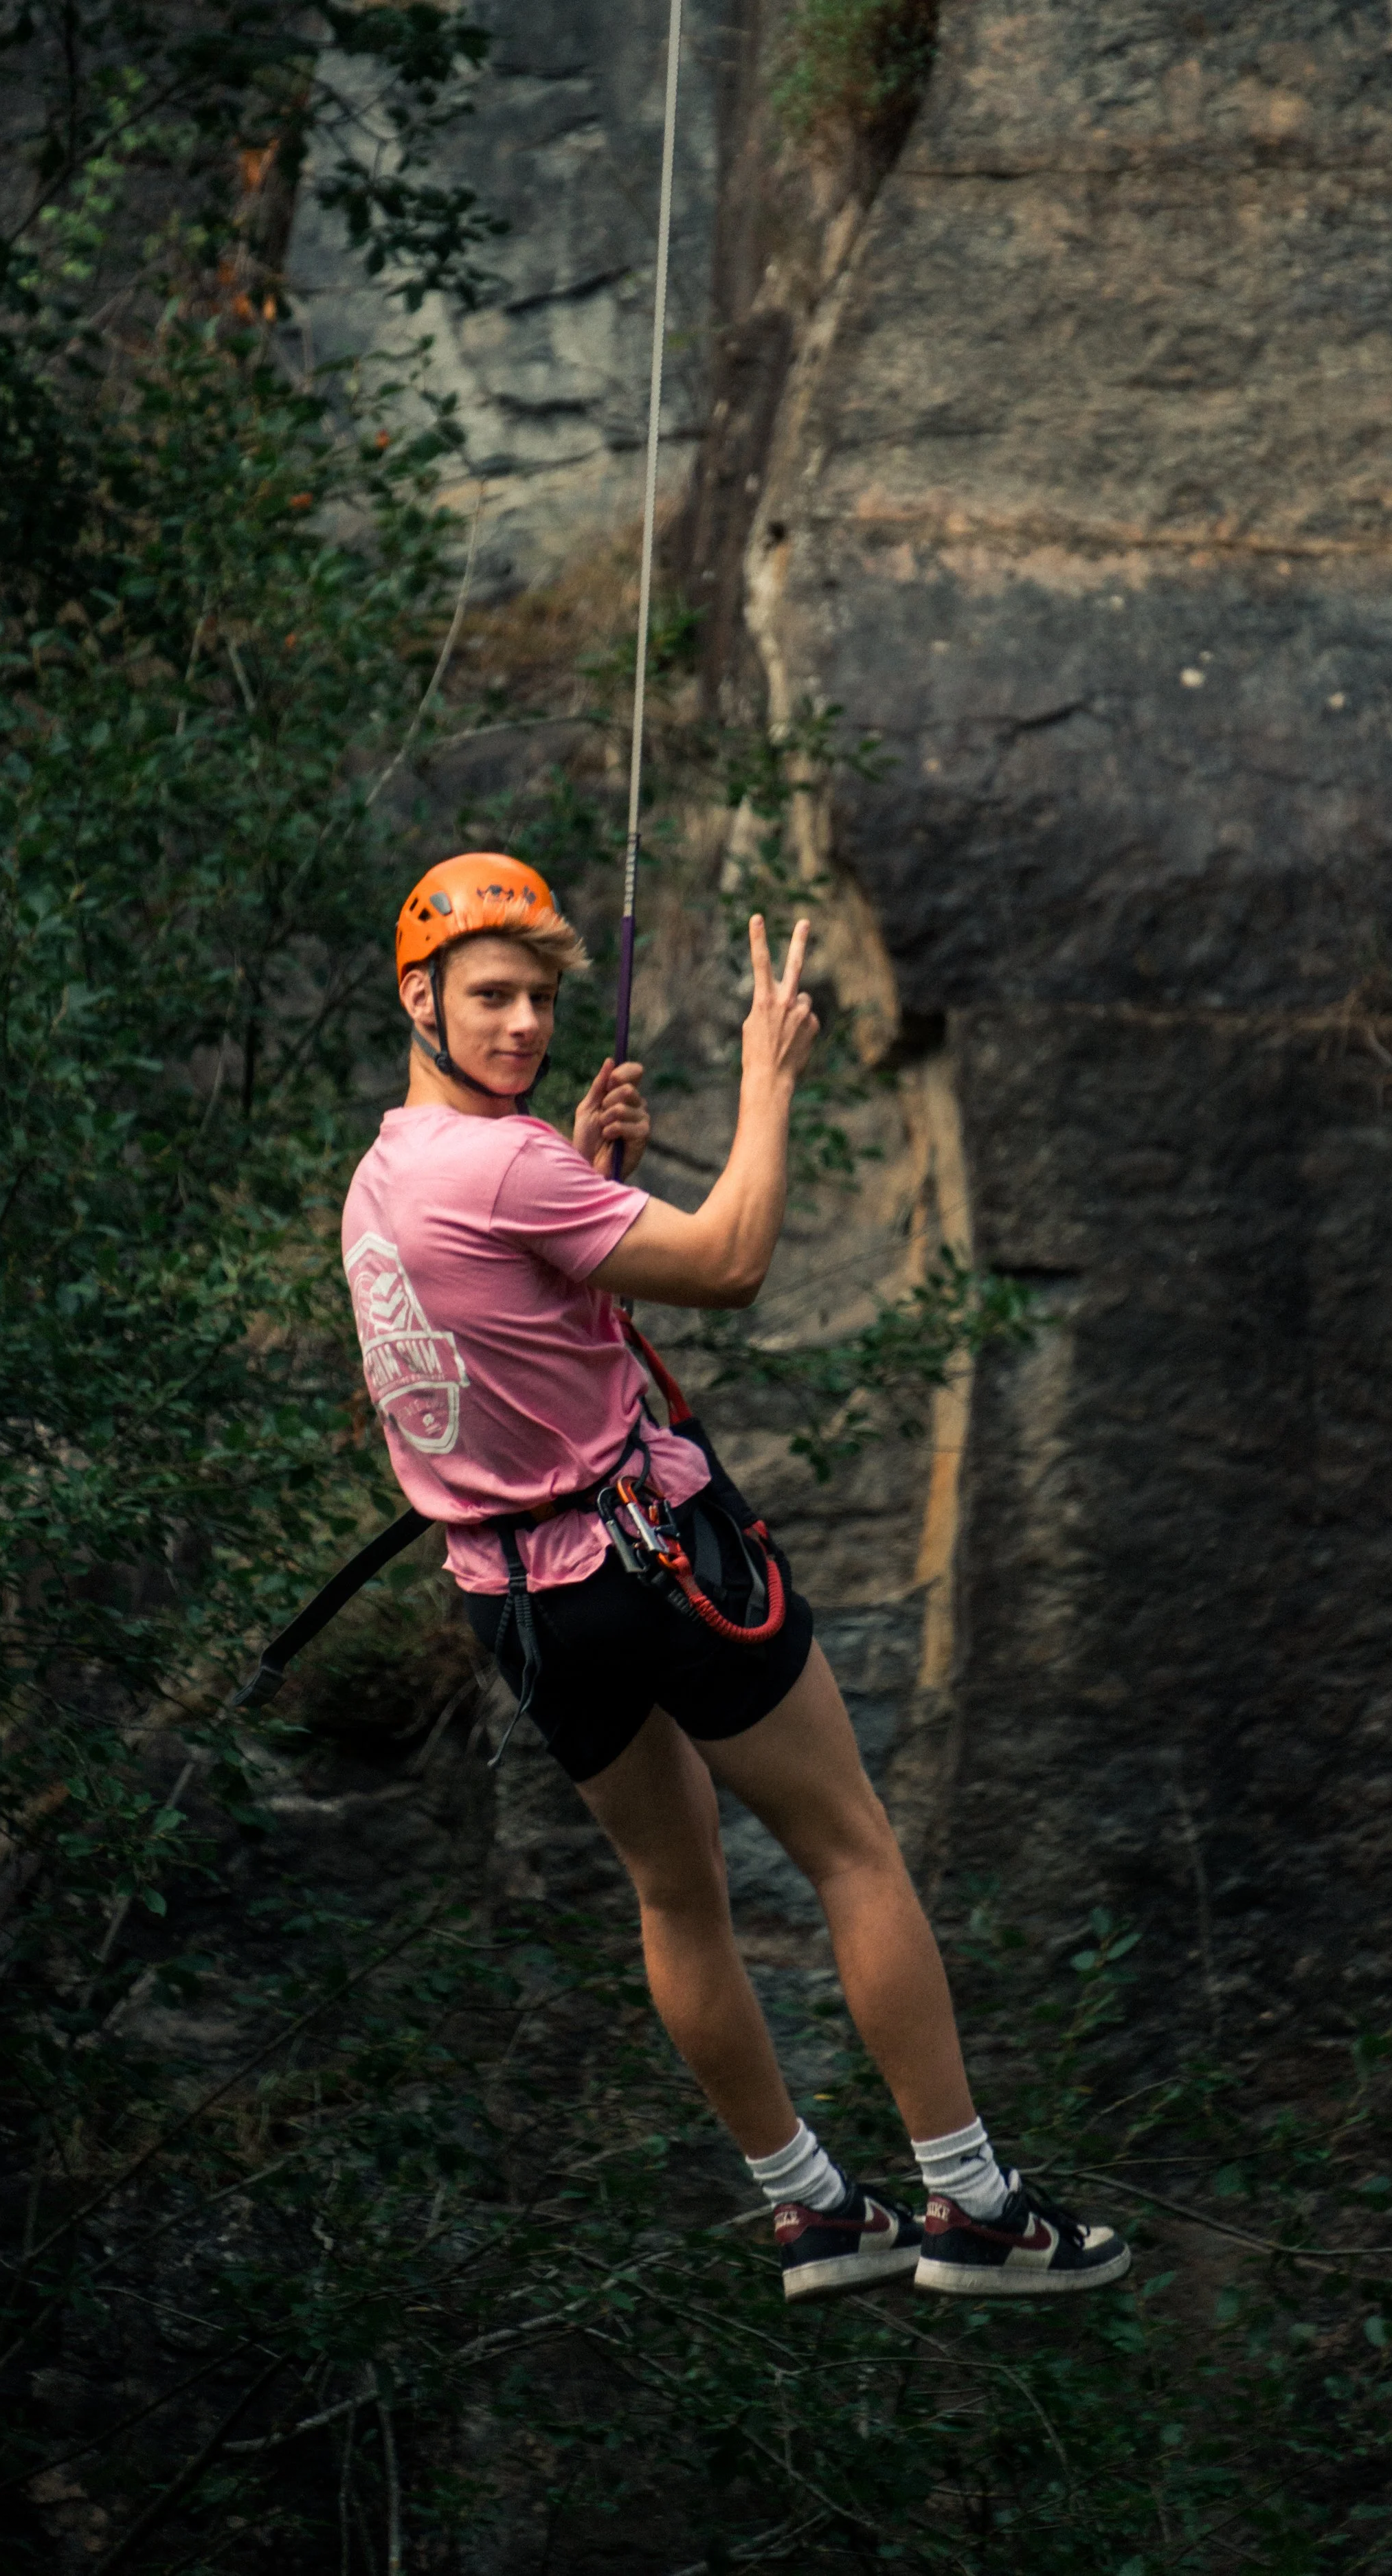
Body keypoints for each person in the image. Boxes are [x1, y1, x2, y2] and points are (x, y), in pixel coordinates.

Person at [341, 852, 1130, 2303]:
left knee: (675, 1895)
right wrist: (766, 1076)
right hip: (649, 1557)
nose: (521, 1024)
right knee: (848, 1846)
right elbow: (731, 1263)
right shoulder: (508, 1166)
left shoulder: (391, 1173)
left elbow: (507, 1294)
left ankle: (810, 2208)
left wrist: (585, 1171)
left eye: (536, 1000)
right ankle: (972, 2206)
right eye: (489, 998)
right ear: (419, 998)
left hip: (515, 1605)